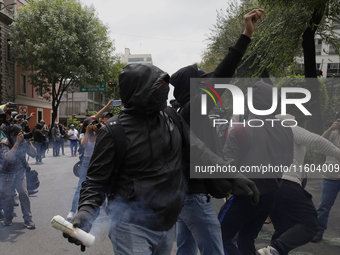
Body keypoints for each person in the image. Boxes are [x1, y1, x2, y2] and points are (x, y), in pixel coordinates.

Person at [63, 62, 258, 254]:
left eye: (164, 85)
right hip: (131, 228)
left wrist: (232, 175)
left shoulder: (171, 118)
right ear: (139, 91)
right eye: (157, 85)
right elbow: (96, 182)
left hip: (166, 225)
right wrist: (86, 211)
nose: (164, 89)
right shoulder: (114, 131)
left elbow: (200, 151)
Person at [170, 8, 264, 255]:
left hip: (184, 194)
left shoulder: (185, 114)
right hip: (193, 197)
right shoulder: (193, 110)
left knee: (185, 249)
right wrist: (245, 35)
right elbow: (222, 77)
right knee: (215, 251)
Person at [218, 81, 293, 255]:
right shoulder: (286, 129)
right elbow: (288, 162)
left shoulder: (241, 129)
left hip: (245, 195)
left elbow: (228, 165)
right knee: (247, 238)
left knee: (219, 237)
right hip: (270, 195)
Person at [257, 114, 340, 255]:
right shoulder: (290, 129)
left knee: (283, 228)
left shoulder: (267, 134)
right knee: (310, 224)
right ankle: (273, 250)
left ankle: (274, 250)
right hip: (287, 183)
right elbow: (317, 141)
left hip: (267, 185)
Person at [0, 124, 37, 229]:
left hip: (19, 172)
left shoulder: (23, 142)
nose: (22, 135)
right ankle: (8, 217)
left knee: (24, 194)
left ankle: (28, 219)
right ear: (12, 135)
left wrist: (28, 142)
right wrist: (17, 143)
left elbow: (34, 154)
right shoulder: (4, 143)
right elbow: (8, 158)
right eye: (19, 133)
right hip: (6, 174)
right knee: (8, 197)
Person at [311, 118, 340, 243]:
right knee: (324, 206)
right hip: (331, 176)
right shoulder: (333, 133)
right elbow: (320, 142)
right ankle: (318, 232)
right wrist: (331, 128)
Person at [66, 118, 98, 221]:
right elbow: (84, 144)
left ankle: (100, 211)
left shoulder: (98, 134)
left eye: (93, 124)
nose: (92, 126)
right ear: (85, 127)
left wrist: (96, 131)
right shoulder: (83, 135)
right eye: (89, 125)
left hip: (97, 163)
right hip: (86, 162)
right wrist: (88, 131)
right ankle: (72, 210)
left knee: (100, 186)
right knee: (80, 186)